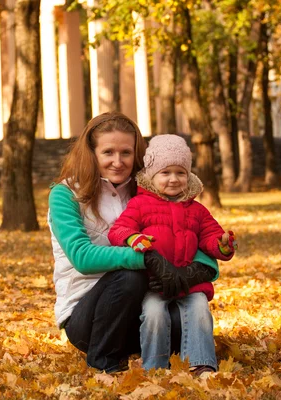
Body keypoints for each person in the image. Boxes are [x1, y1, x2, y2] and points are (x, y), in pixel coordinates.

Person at [47, 112, 220, 373]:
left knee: (187, 319)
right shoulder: (66, 194)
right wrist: (147, 259)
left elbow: (187, 227)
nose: (118, 162)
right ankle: (105, 363)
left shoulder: (148, 190)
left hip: (142, 306)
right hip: (87, 315)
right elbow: (81, 256)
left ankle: (173, 363)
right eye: (108, 152)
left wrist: (197, 270)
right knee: (130, 276)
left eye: (126, 153)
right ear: (91, 153)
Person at [108, 134, 237, 373]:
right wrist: (133, 238)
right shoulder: (139, 205)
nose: (173, 179)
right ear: (151, 176)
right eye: (165, 173)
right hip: (155, 282)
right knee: (154, 315)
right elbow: (118, 230)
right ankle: (155, 367)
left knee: (199, 311)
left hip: (189, 282)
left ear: (188, 176)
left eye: (180, 173)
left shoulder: (197, 210)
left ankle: (200, 364)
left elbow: (210, 236)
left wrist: (222, 245)